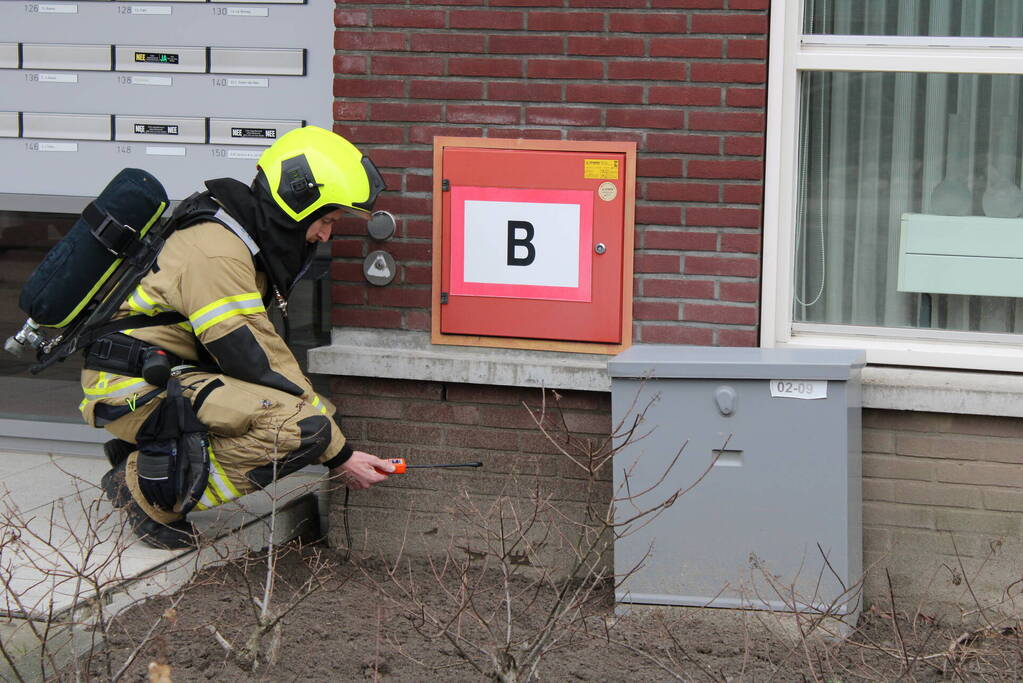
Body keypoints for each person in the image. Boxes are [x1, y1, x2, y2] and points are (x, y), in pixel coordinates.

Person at [83, 125, 396, 549]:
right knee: (299, 429)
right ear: (296, 201)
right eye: (326, 220)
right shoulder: (217, 250)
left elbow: (256, 355)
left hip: (163, 374)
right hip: (131, 385)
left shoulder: (238, 238)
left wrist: (333, 432)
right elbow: (251, 356)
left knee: (309, 421)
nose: (326, 235)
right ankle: (147, 492)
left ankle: (157, 460)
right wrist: (336, 449)